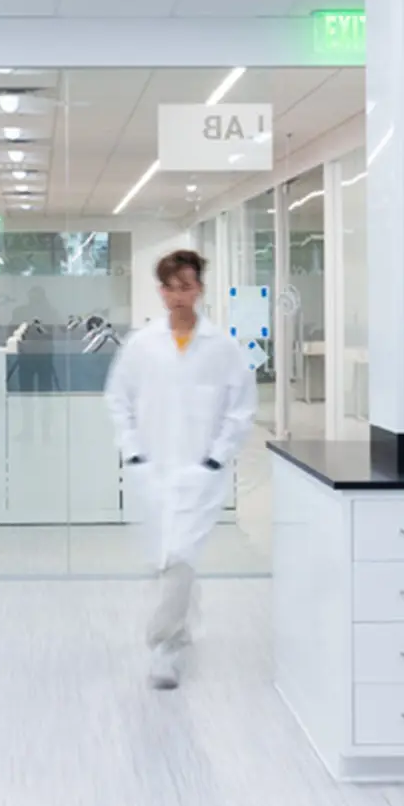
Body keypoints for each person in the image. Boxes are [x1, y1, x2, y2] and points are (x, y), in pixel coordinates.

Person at [105, 248, 254, 689]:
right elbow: (118, 398)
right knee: (166, 556)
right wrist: (133, 452)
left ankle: (162, 647)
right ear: (160, 291)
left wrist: (216, 457)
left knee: (180, 555)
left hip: (199, 471)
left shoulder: (223, 347)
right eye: (169, 288)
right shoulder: (141, 344)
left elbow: (241, 409)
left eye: (185, 286)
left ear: (200, 289)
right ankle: (183, 621)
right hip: (152, 470)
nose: (177, 296)